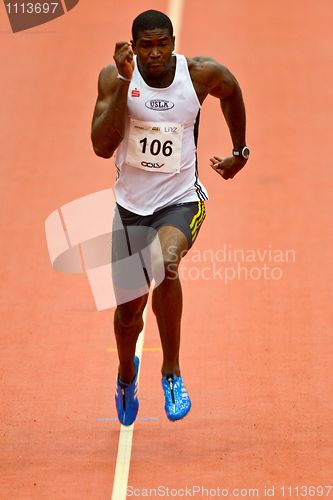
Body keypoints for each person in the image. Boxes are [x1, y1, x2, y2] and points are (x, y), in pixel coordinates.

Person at [91, 10, 249, 425]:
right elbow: (101, 147)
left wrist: (240, 151)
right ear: (133, 46)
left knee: (166, 264)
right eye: (146, 46)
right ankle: (127, 376)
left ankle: (172, 372)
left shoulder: (198, 74)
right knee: (129, 314)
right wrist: (127, 83)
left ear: (174, 42)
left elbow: (230, 91)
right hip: (130, 209)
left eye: (163, 44)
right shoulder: (115, 78)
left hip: (180, 201)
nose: (156, 53)